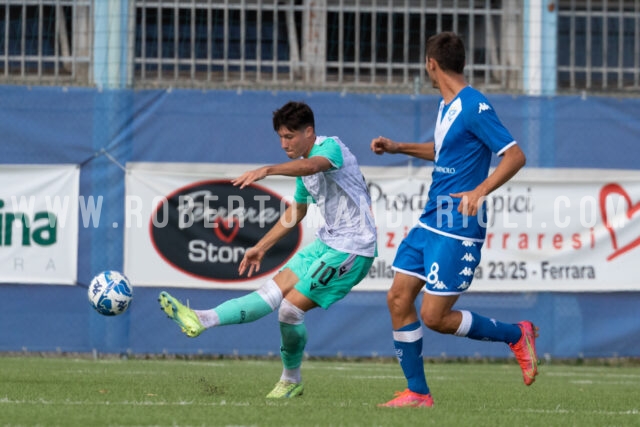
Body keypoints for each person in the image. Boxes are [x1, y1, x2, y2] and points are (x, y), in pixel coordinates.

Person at [159, 101, 377, 399]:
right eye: (280, 138)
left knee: (290, 310)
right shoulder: (303, 168)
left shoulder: (331, 148)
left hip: (353, 247)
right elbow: (296, 212)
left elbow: (313, 165)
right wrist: (260, 247)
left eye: (290, 137)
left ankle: (291, 380)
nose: (284, 144)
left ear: (309, 132)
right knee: (270, 293)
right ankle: (203, 318)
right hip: (328, 242)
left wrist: (267, 170)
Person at [370, 32, 536, 408]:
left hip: (458, 223)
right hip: (432, 217)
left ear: (431, 64)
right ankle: (418, 393)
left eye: (426, 66)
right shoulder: (447, 106)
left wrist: (480, 191)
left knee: (434, 316)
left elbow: (514, 155)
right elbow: (443, 150)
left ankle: (516, 334)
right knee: (398, 297)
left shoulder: (475, 105)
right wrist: (399, 147)